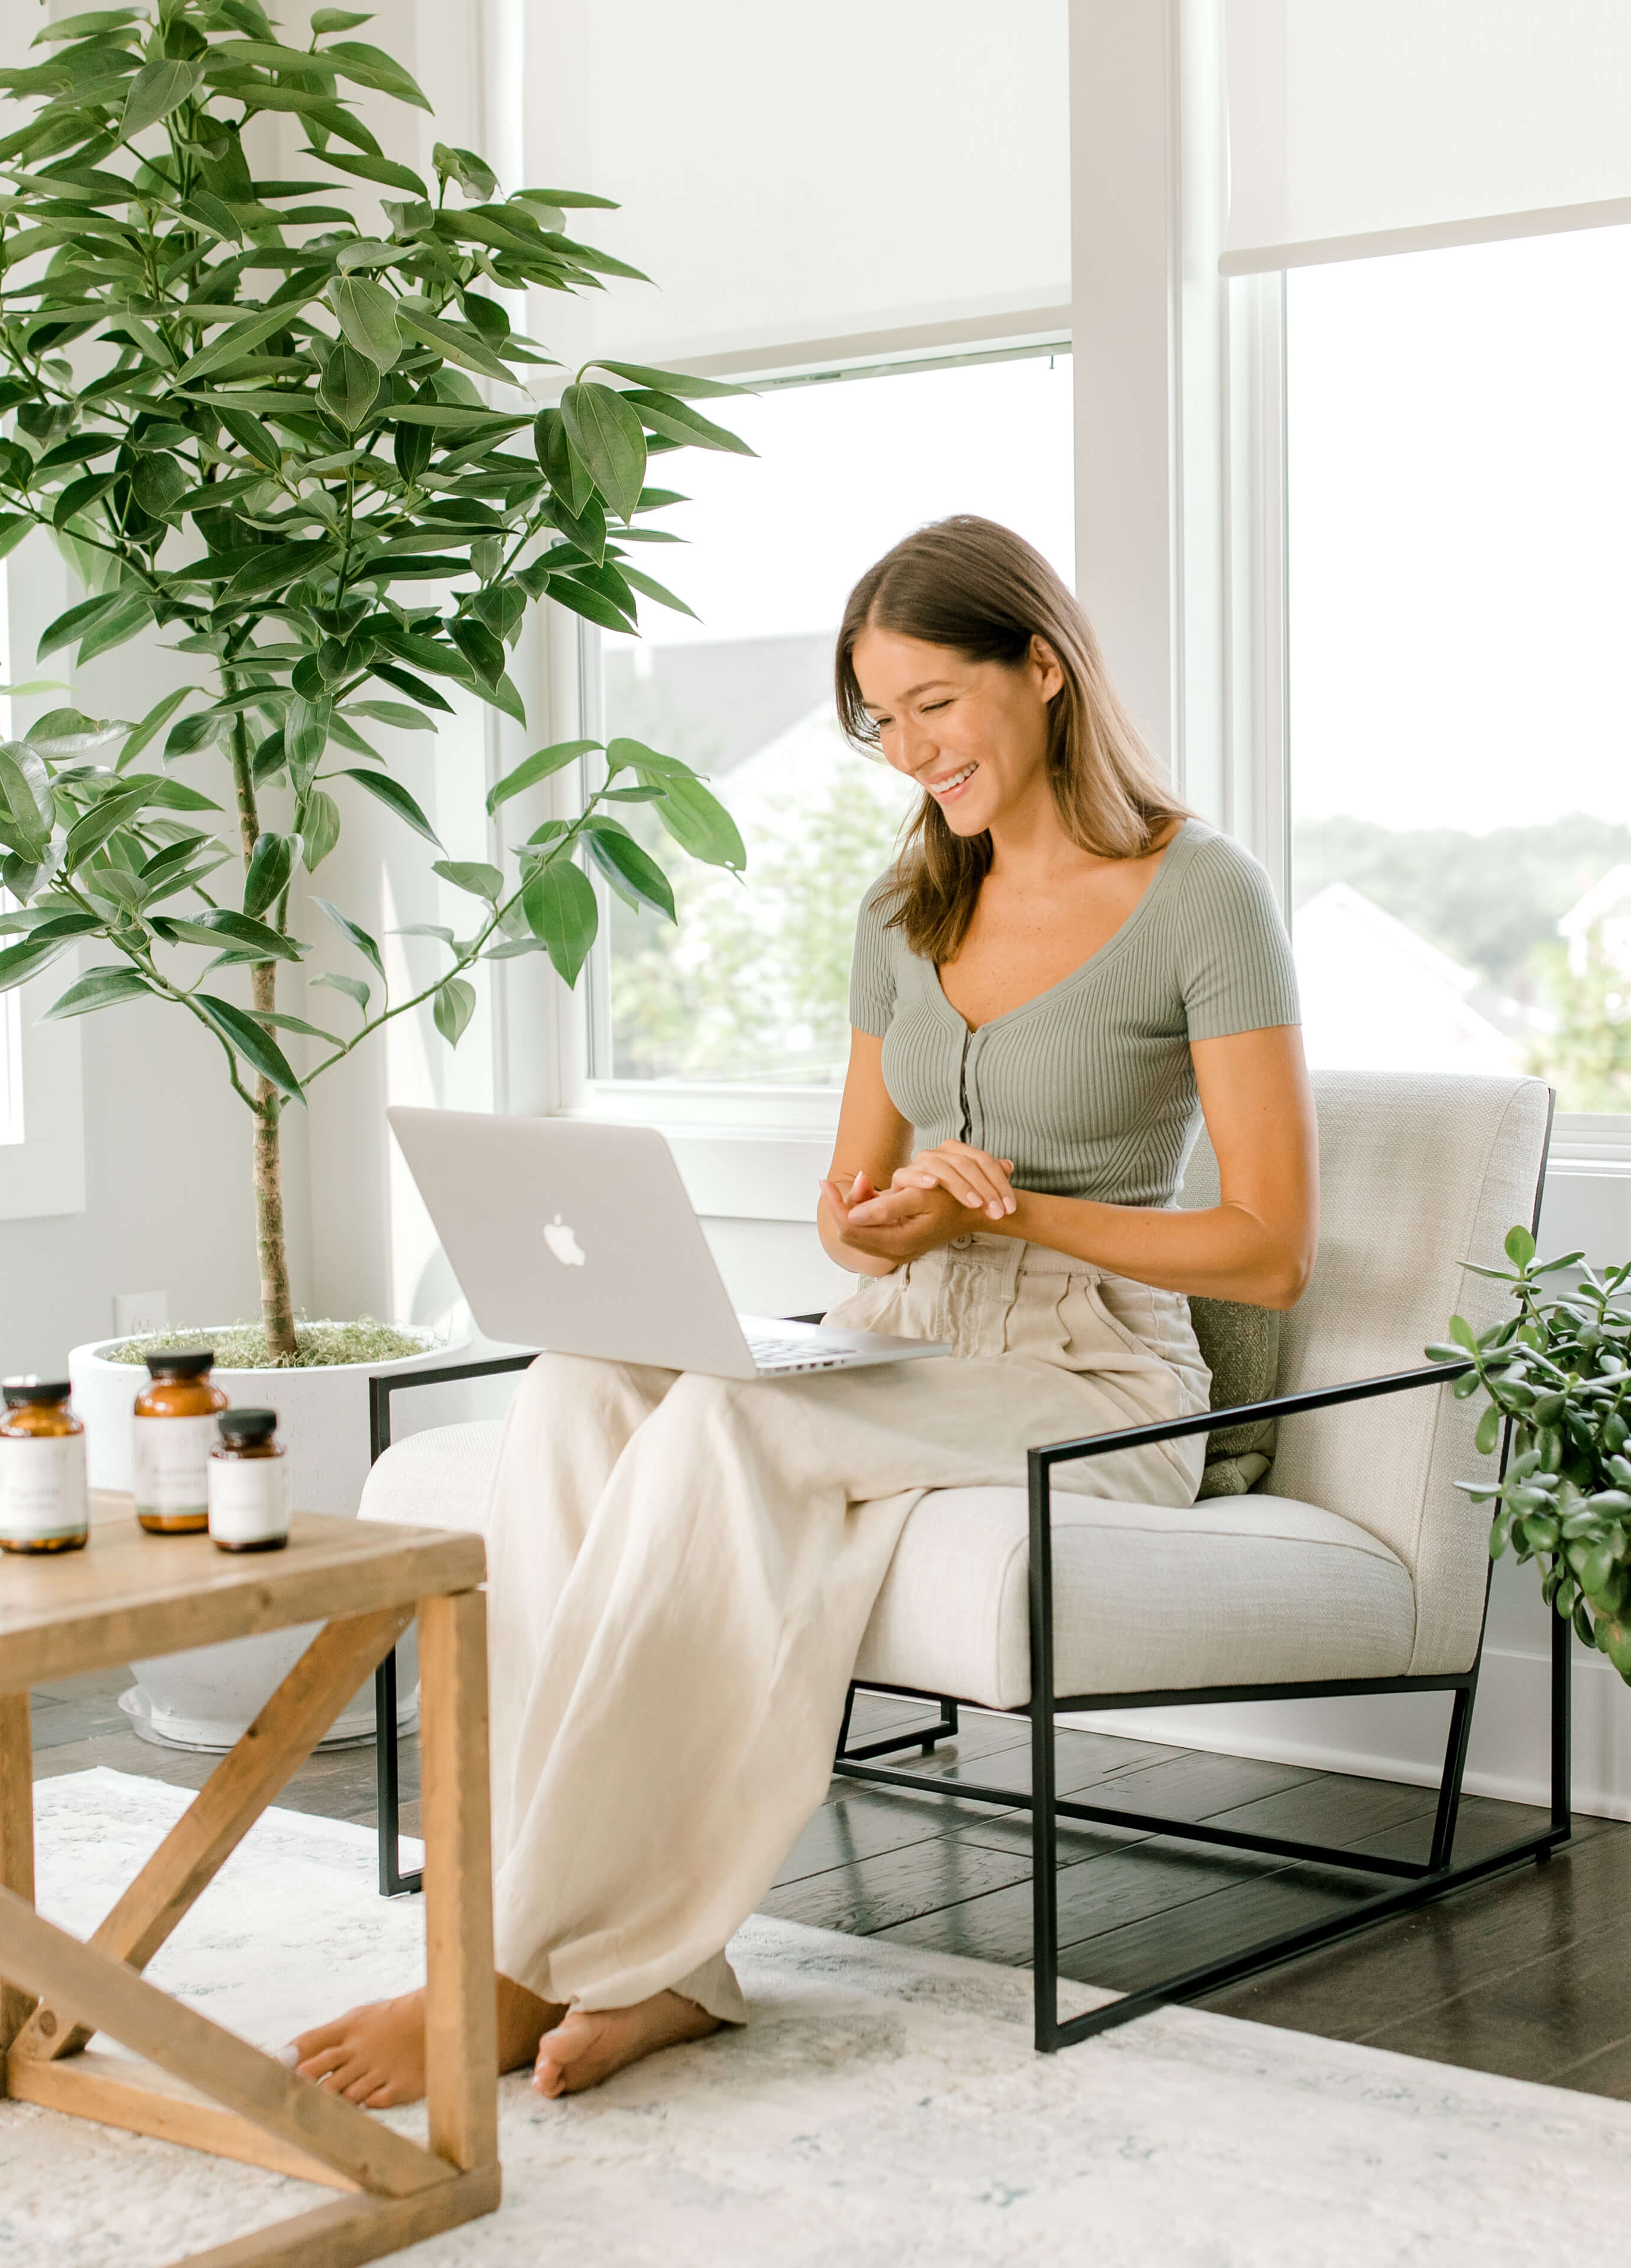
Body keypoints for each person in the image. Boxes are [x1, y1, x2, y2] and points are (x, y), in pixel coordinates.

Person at [293, 514, 1316, 2104]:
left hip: (1092, 1371)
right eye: (879, 720)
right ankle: (663, 1967)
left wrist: (1018, 1207)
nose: (908, 750)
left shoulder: (1199, 893)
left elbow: (1268, 1249)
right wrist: (892, 1214)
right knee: (578, 1384)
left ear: (1039, 669)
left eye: (932, 704)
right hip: (903, 1331)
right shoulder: (902, 905)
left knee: (730, 1427)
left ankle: (504, 1960)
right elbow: (850, 1201)